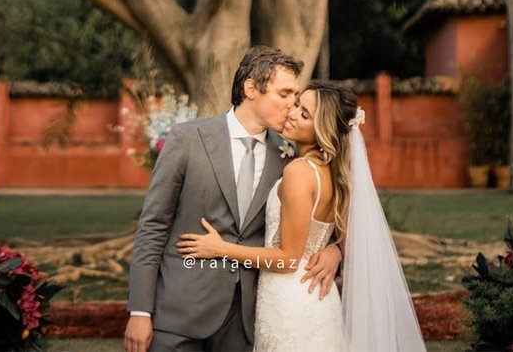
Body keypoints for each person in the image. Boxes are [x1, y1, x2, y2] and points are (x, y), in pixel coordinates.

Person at [177, 81, 426, 352]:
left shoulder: (299, 171)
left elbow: (288, 259)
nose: (293, 113)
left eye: (305, 114)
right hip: (317, 298)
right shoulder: (335, 174)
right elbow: (345, 236)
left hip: (290, 300)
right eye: (297, 105)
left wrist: (220, 248)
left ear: (323, 131)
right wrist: (335, 250)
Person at [125, 47, 340, 352]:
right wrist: (140, 311)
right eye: (285, 94)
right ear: (251, 89)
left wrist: (335, 250)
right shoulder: (186, 139)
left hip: (247, 320)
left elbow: (329, 214)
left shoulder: (292, 158)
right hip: (179, 314)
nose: (293, 105)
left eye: (296, 96)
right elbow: (153, 226)